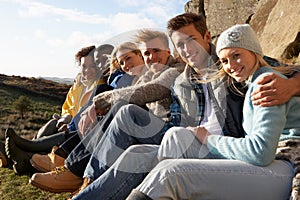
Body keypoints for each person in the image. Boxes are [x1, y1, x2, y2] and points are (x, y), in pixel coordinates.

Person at [71, 13, 300, 200]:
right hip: (197, 143)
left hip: (230, 144)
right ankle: (88, 190)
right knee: (137, 152)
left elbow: (278, 70)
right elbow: (177, 120)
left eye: (191, 39)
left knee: (143, 130)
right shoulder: (182, 81)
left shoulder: (230, 61)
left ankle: (154, 185)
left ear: (206, 36)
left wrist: (291, 85)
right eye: (180, 45)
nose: (187, 49)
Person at [28, 29, 184, 194]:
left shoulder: (176, 69)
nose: (151, 57)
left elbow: (150, 91)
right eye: (147, 53)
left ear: (168, 51)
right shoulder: (148, 74)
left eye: (156, 51)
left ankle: (74, 170)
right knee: (117, 111)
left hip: (169, 133)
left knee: (121, 108)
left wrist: (101, 102)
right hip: (151, 129)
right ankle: (78, 173)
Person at [4, 44, 115, 174]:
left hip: (79, 129)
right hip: (68, 123)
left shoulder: (101, 86)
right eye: (84, 66)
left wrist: (70, 122)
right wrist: (65, 119)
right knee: (52, 124)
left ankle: (24, 156)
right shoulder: (78, 83)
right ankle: (22, 155)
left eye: (92, 66)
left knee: (60, 134)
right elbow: (67, 106)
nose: (87, 70)